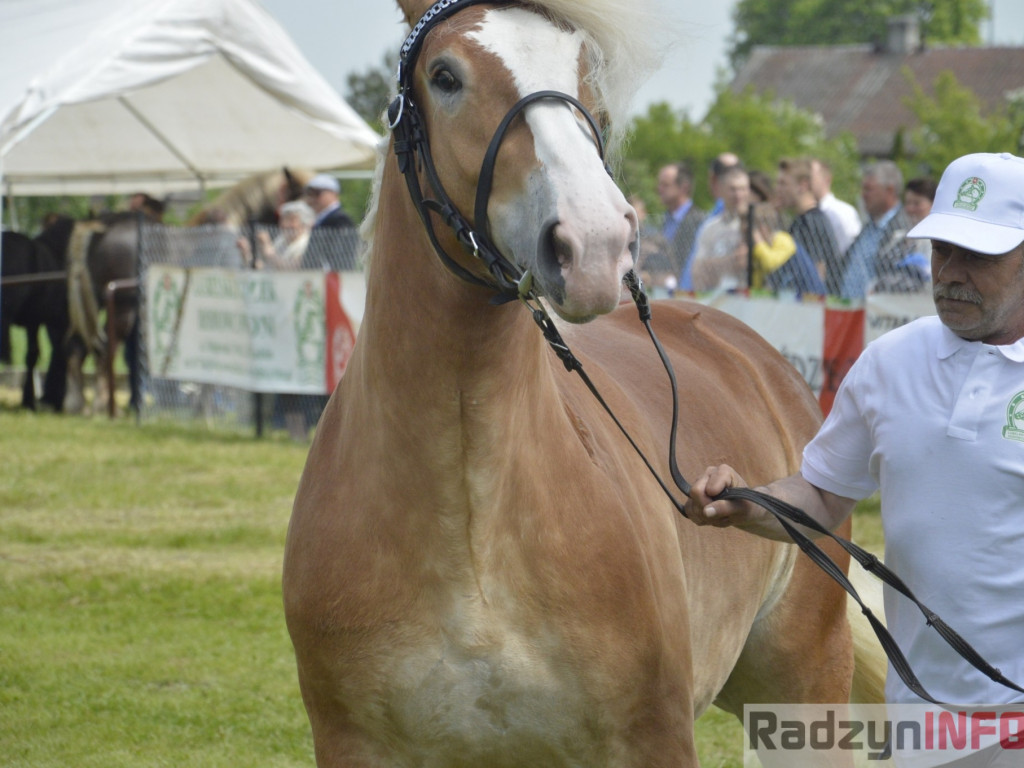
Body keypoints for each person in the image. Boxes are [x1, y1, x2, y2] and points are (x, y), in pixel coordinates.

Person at [687, 152, 1024, 767]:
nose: (950, 272)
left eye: (978, 256)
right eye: (942, 250)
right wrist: (750, 502)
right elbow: (820, 498)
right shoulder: (890, 364)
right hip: (924, 726)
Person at [838, 161, 919, 298]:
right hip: (848, 312)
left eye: (869, 189)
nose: (863, 195)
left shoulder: (906, 230)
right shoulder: (868, 228)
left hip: (879, 315)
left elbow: (909, 279)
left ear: (890, 190)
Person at [775, 156, 842, 294]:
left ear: (803, 185)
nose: (778, 189)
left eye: (783, 183)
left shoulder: (812, 221)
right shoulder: (800, 221)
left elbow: (818, 271)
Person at [642, 163, 706, 291]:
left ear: (683, 188)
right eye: (659, 184)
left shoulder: (699, 221)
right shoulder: (664, 220)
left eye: (665, 185)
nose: (659, 189)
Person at [686, 166, 751, 292]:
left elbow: (744, 261)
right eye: (733, 189)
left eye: (743, 189)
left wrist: (714, 265)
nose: (738, 195)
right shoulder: (710, 227)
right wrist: (731, 260)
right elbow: (697, 270)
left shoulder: (757, 223)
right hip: (717, 295)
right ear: (721, 191)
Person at [236, 199, 315, 271]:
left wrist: (268, 250)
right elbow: (266, 269)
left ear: (305, 223)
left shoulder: (308, 243)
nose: (285, 225)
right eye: (283, 219)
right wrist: (247, 255)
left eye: (291, 220)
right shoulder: (281, 241)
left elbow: (292, 268)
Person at [810, 157, 862, 256]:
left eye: (811, 177)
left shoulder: (843, 212)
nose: (806, 183)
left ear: (827, 179)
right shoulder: (806, 214)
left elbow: (851, 250)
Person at [903, 176, 938, 279]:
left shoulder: (937, 239)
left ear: (933, 204)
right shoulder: (898, 237)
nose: (910, 208)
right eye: (908, 203)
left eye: (917, 203)